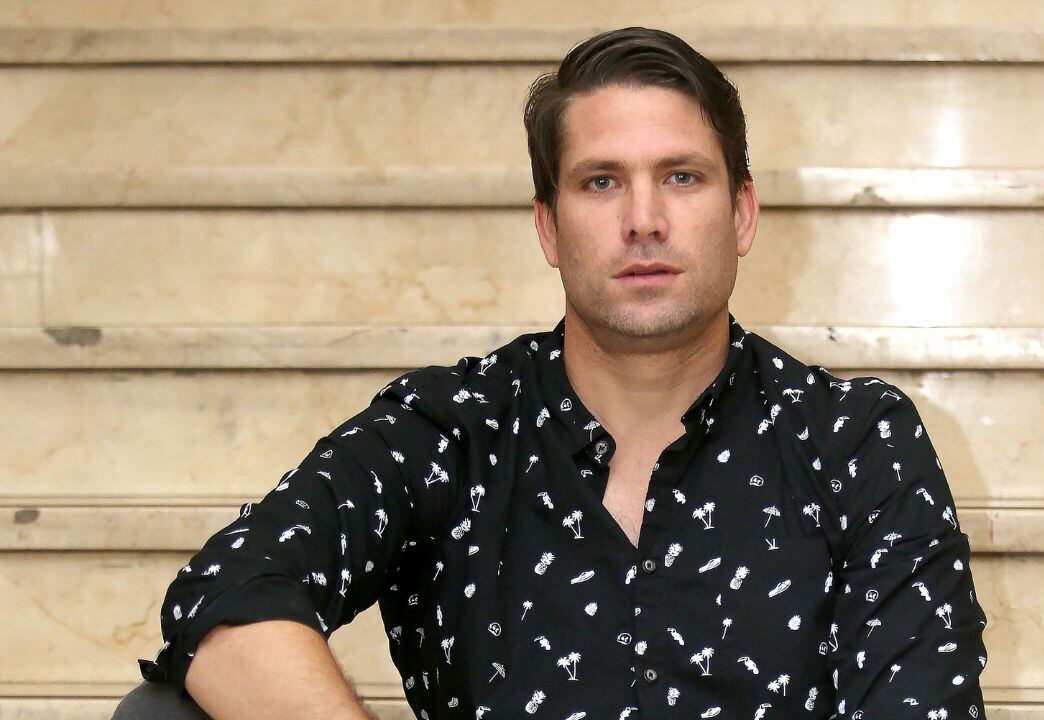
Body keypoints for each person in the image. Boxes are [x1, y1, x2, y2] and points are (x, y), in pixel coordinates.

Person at [118, 25, 988, 720]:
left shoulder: (851, 440)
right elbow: (228, 593)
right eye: (601, 182)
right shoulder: (452, 429)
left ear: (742, 213)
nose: (644, 220)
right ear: (548, 226)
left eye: (682, 177)